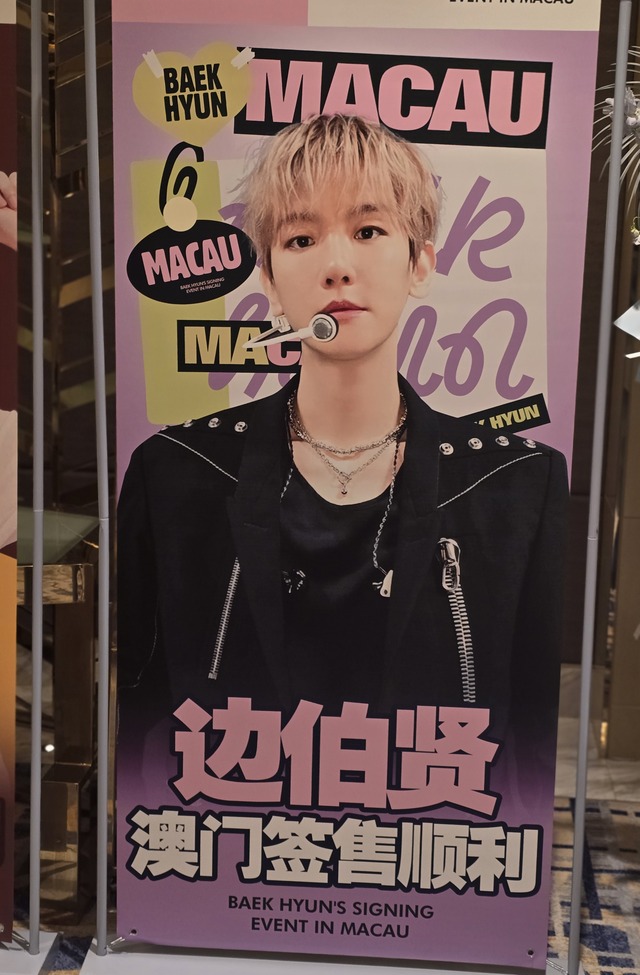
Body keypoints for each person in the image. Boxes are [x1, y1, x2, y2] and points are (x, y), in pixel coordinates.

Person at [117, 115, 567, 757]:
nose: (336, 266)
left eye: (368, 231)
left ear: (420, 264)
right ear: (269, 278)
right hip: (228, 815)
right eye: (301, 239)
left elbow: (528, 743)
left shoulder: (515, 484)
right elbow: (144, 725)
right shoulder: (176, 472)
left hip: (431, 817)